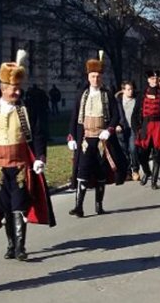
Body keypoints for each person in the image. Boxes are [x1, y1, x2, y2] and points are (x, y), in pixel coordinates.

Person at [0, 52, 55, 260]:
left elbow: (38, 133)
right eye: (13, 89)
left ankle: (21, 246)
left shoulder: (26, 108)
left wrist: (40, 156)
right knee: (5, 207)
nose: (17, 92)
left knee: (19, 205)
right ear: (3, 89)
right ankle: (11, 244)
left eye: (18, 88)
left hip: (21, 165)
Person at [68, 54, 126, 217]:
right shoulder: (82, 94)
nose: (95, 79)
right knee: (83, 171)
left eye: (98, 76)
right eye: (93, 76)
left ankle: (99, 204)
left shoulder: (107, 95)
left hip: (102, 140)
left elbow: (115, 116)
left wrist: (109, 129)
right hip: (86, 139)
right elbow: (74, 117)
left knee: (101, 172)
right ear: (88, 77)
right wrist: (72, 137)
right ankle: (78, 205)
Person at [133, 70, 160, 189]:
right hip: (145, 126)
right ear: (148, 80)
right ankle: (147, 172)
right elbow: (135, 112)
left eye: (156, 79)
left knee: (158, 154)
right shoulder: (142, 94)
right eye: (152, 78)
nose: (155, 81)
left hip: (158, 125)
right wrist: (137, 128)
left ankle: (154, 180)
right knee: (141, 154)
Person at [116, 81, 140, 181]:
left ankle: (135, 170)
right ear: (123, 90)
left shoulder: (136, 100)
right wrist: (117, 124)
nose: (131, 91)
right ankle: (127, 172)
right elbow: (115, 114)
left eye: (131, 89)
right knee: (124, 151)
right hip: (122, 129)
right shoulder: (118, 101)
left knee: (133, 149)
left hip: (133, 129)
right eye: (128, 89)